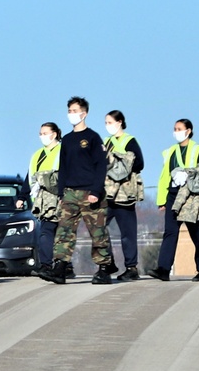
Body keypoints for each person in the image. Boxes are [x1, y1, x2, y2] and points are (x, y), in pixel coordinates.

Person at [38, 96, 116, 285]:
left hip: (90, 192)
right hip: (70, 193)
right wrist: (61, 192)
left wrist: (96, 191)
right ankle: (60, 268)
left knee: (97, 232)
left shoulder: (92, 137)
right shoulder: (67, 139)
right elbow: (63, 167)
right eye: (70, 111)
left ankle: (104, 268)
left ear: (84, 113)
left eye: (75, 111)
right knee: (64, 231)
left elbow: (100, 166)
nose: (72, 114)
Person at [148, 119, 199, 282]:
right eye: (174, 129)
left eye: (179, 129)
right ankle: (163, 269)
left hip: (192, 198)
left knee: (197, 235)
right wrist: (161, 200)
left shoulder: (198, 150)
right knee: (170, 233)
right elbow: (164, 176)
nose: (176, 132)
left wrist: (189, 175)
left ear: (188, 131)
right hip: (173, 196)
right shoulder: (170, 151)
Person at [103, 110, 145, 281]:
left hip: (124, 193)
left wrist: (119, 165)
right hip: (107, 193)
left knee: (127, 232)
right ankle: (108, 261)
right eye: (105, 123)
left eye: (110, 122)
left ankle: (131, 267)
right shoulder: (106, 142)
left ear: (119, 122)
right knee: (98, 227)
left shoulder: (130, 141)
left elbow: (139, 163)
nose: (107, 126)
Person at [17, 122, 64, 273]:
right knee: (47, 231)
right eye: (40, 133)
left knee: (60, 232)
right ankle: (46, 264)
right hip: (42, 200)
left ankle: (61, 264)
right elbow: (30, 177)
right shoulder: (37, 155)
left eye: (45, 133)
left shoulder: (62, 151)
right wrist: (22, 197)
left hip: (59, 197)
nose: (42, 136)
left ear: (54, 134)